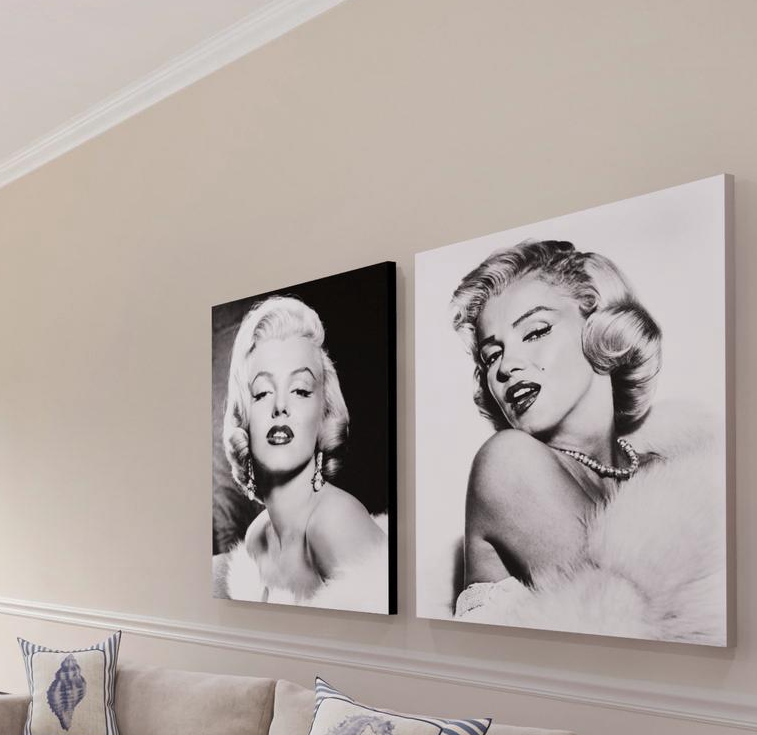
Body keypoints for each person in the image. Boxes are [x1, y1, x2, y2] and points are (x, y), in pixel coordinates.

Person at [443, 238, 722, 642]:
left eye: (535, 331)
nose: (507, 366)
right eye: (491, 355)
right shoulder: (509, 462)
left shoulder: (665, 474)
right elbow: (635, 632)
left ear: (600, 328)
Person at [216, 295, 388, 609]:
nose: (280, 406)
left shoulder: (336, 523)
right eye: (263, 392)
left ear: (324, 415)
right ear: (244, 419)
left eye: (300, 390)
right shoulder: (257, 537)